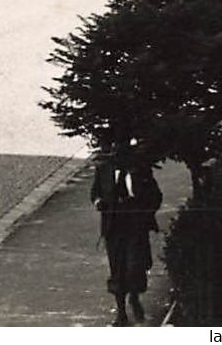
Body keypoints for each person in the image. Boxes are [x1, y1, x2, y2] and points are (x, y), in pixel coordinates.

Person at [90, 138, 163, 326]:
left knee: (134, 266)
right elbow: (95, 193)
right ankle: (121, 312)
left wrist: (145, 213)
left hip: (135, 226)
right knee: (117, 269)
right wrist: (99, 202)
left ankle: (135, 297)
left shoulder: (140, 171)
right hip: (113, 226)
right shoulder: (104, 171)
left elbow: (156, 196)